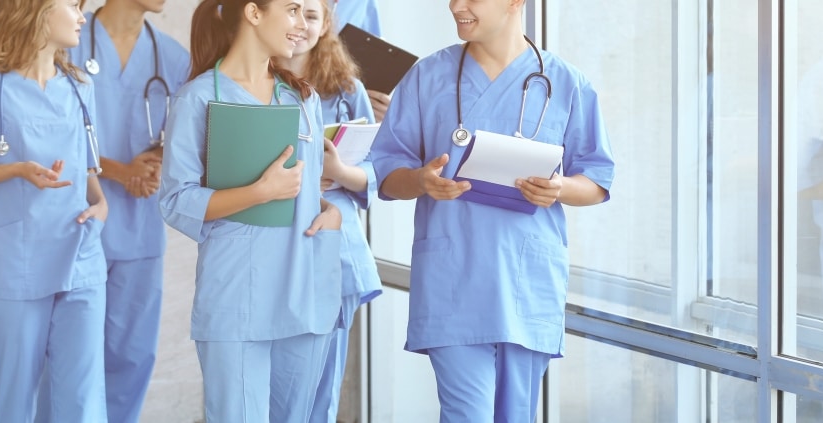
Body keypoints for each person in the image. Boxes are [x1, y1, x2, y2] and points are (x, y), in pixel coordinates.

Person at [368, 0, 616, 421]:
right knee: (467, 415)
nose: (455, 6)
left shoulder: (566, 83)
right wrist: (421, 181)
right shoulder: (427, 77)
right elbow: (386, 169)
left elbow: (596, 180)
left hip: (526, 281)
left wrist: (558, 189)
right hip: (454, 278)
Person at [158, 0, 343, 421]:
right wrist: (259, 191)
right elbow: (174, 200)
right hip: (237, 292)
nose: (303, 25)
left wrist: (331, 213)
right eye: (292, 10)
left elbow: (309, 188)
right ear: (254, 13)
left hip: (305, 284)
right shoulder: (199, 97)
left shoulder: (300, 97)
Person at [0, 0, 109, 421]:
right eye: (73, 5)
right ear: (37, 10)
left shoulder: (79, 86)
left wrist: (101, 202)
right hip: (15, 262)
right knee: (15, 403)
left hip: (80, 255)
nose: (83, 15)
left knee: (82, 401)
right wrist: (14, 169)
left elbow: (87, 165)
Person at [42, 1, 190, 421]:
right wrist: (121, 171)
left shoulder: (172, 57)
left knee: (132, 356)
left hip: (140, 229)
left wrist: (153, 163)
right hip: (74, 221)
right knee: (66, 361)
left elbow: (186, 133)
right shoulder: (64, 43)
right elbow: (42, 133)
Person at [274, 1, 381, 421]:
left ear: (326, 26)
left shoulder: (348, 90)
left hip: (335, 252)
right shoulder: (250, 81)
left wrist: (337, 170)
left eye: (313, 17)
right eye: (292, 12)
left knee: (320, 393)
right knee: (278, 389)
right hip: (274, 245)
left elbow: (377, 168)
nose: (301, 25)